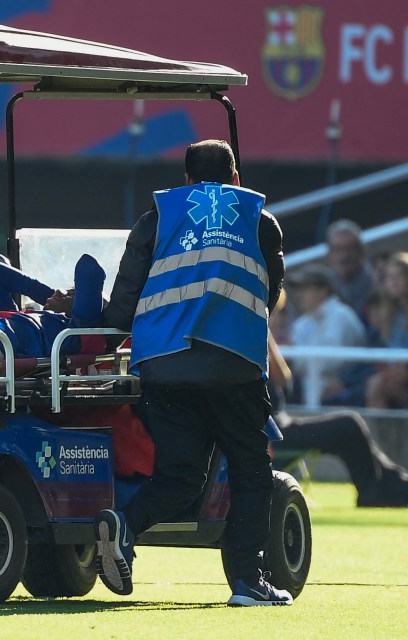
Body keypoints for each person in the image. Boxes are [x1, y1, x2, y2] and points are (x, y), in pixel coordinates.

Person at [97, 139, 291, 606]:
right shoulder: (259, 221)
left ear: (186, 180)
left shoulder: (155, 218)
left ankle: (126, 523)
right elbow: (269, 294)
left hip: (162, 371)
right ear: (236, 179)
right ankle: (247, 582)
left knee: (180, 474)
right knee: (249, 471)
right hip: (233, 369)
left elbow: (122, 309)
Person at [268, 332, 408, 507]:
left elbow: (284, 383)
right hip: (274, 435)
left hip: (283, 424)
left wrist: (267, 337)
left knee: (352, 426)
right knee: (348, 425)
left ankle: (397, 482)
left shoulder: (259, 338)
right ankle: (374, 492)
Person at [285, 262, 366, 404]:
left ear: (323, 290)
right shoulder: (302, 323)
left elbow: (333, 361)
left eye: (304, 288)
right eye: (298, 289)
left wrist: (294, 356)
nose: (299, 294)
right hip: (308, 398)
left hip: (341, 398)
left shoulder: (342, 316)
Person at [365, 252, 408, 409]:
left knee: (377, 385)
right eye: (390, 277)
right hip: (392, 374)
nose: (394, 282)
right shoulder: (387, 315)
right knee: (375, 384)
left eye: (399, 276)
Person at [325, 219, 375, 318]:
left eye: (349, 249)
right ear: (329, 254)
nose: (343, 256)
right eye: (337, 250)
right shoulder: (326, 288)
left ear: (361, 251)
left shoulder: (375, 282)